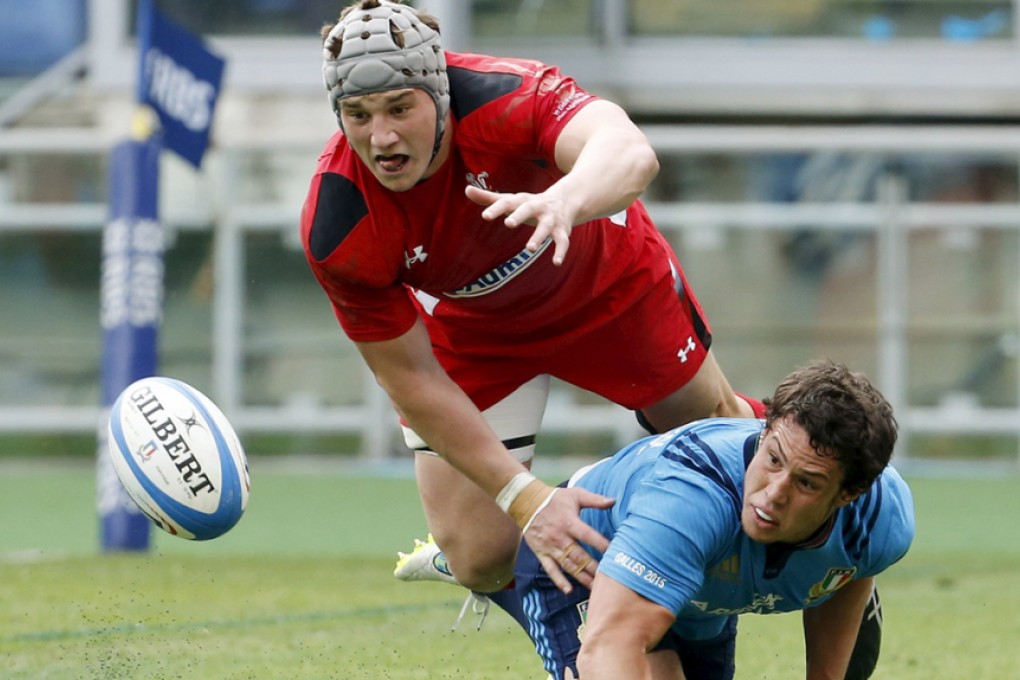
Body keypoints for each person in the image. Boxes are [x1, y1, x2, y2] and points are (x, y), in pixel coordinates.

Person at [300, 0, 764, 602]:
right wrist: (527, 499)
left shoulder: (507, 94)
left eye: (399, 108)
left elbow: (629, 151)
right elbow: (411, 378)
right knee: (481, 560)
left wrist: (568, 198)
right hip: (475, 331)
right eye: (357, 115)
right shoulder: (338, 220)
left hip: (605, 287)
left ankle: (842, 502)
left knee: (724, 445)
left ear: (439, 90)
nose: (381, 136)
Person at [512, 359, 914, 680]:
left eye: (806, 483)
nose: (772, 494)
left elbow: (851, 567)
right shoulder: (690, 498)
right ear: (765, 429)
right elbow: (610, 645)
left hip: (701, 593)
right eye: (772, 459)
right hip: (586, 557)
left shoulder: (882, 519)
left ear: (849, 494)